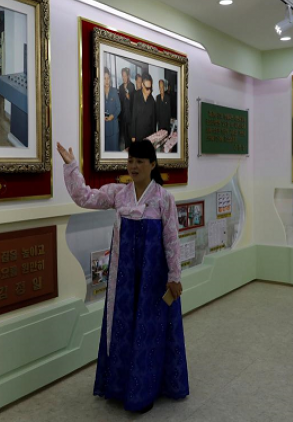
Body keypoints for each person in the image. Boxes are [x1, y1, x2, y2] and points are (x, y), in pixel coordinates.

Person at [57, 139, 189, 413]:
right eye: (130, 161)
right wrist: (71, 166)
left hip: (153, 280)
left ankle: (146, 391)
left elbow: (172, 239)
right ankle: (119, 386)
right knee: (124, 329)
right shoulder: (119, 194)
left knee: (150, 332)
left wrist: (174, 276)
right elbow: (85, 196)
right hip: (125, 280)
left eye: (140, 161)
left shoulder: (164, 199)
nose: (134, 166)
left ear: (152, 164)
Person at [130, 73, 157, 142]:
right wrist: (133, 135)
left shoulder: (152, 100)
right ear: (142, 85)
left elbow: (153, 119)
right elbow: (133, 116)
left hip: (148, 133)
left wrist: (154, 134)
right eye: (147, 88)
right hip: (138, 133)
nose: (149, 91)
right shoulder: (136, 96)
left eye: (150, 88)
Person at [103, 68, 121, 151]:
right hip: (104, 128)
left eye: (108, 78)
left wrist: (113, 116)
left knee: (114, 151)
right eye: (104, 78)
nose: (107, 81)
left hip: (113, 128)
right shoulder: (99, 92)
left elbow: (119, 108)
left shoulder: (114, 91)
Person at [118, 67, 134, 149]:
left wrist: (129, 98)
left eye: (125, 76)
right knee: (124, 136)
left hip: (130, 116)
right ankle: (126, 150)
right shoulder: (120, 87)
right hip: (123, 116)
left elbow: (134, 102)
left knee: (130, 135)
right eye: (123, 76)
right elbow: (119, 102)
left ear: (128, 76)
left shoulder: (132, 86)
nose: (124, 77)